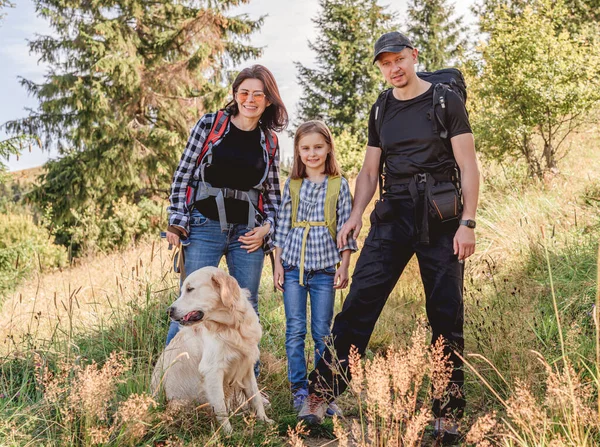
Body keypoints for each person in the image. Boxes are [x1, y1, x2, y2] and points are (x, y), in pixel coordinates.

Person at [298, 32, 480, 444]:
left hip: (441, 216)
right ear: (380, 66)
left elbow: (468, 165)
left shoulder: (445, 101)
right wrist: (356, 215)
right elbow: (367, 172)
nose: (394, 68)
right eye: (385, 63)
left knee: (446, 313)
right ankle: (320, 395)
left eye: (399, 59)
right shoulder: (381, 108)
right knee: (360, 302)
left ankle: (446, 413)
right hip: (393, 213)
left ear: (414, 56)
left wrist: (468, 222)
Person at [165, 65, 289, 373]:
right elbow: (183, 173)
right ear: (235, 95)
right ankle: (170, 377)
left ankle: (247, 388)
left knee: (244, 306)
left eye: (258, 94)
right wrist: (176, 220)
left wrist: (267, 230)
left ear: (268, 100)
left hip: (248, 234)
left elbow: (274, 196)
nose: (250, 99)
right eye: (244, 92)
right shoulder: (211, 124)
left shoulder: (269, 141)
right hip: (204, 226)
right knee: (189, 306)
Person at [273, 121, 357, 415]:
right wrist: (277, 266)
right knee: (295, 330)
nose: (312, 153)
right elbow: (282, 227)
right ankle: (298, 388)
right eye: (306, 148)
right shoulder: (293, 184)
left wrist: (344, 266)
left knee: (322, 332)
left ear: (328, 148)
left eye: (318, 147)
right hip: (294, 267)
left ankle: (323, 391)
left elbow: (347, 228)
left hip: (324, 271)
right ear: (297, 151)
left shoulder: (339, 183)